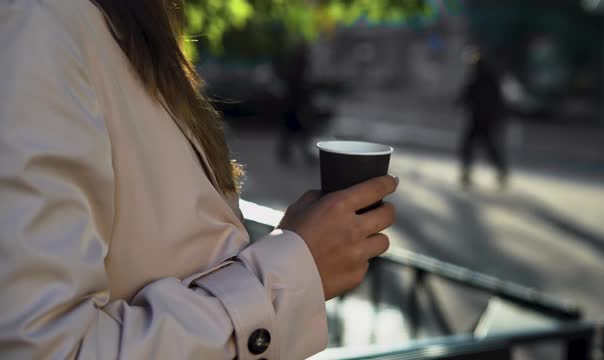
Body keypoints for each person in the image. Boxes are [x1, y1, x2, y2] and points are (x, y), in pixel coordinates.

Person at [0, 1, 397, 359]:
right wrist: (286, 277)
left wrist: (295, 249)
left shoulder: (118, 26)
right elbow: (47, 349)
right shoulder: (39, 20)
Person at [458, 54, 509, 189]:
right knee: (486, 147)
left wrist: (461, 101)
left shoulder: (479, 78)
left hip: (481, 119)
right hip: (486, 119)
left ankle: (468, 173)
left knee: (471, 146)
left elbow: (467, 94)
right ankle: (500, 172)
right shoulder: (490, 78)